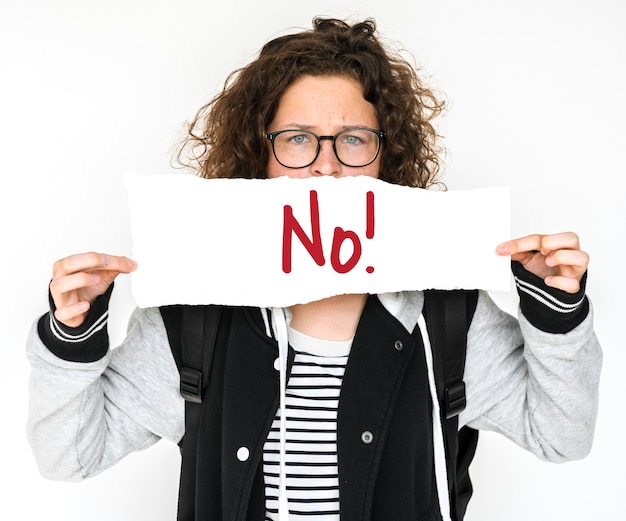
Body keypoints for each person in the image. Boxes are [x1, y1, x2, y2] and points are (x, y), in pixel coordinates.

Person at [26, 17, 601, 521]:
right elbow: (69, 458)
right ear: (260, 155)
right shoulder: (192, 320)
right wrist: (71, 338)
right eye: (298, 139)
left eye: (353, 139)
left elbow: (562, 439)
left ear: (387, 156)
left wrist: (557, 318)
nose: (326, 166)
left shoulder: (449, 318)